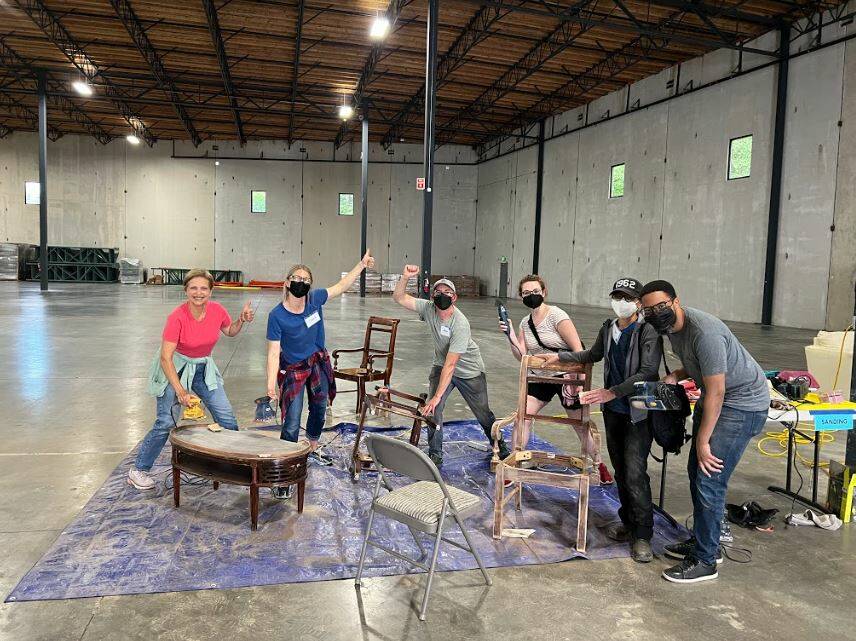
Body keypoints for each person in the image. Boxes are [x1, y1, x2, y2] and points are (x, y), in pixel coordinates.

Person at [639, 280, 770, 584]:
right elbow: (696, 363)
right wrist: (675, 374)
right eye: (648, 310)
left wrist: (702, 441)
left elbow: (717, 391)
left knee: (709, 476)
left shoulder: (704, 332)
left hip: (741, 405)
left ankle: (705, 560)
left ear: (675, 301)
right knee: (696, 471)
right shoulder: (672, 328)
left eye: (661, 306)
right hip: (722, 399)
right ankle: (704, 541)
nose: (656, 313)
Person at [541, 277, 662, 562]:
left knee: (635, 472)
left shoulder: (648, 331)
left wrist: (611, 392)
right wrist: (558, 357)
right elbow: (591, 355)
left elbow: (648, 372)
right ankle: (628, 522)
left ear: (638, 303)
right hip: (613, 413)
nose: (621, 302)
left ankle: (643, 535)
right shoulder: (609, 328)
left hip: (637, 413)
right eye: (617, 296)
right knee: (621, 470)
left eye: (627, 298)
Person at [128, 269, 254, 490]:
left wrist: (241, 320)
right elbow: (165, 358)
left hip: (202, 367)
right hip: (175, 368)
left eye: (204, 288)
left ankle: (227, 465)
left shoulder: (217, 310)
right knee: (166, 422)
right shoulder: (177, 317)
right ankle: (139, 469)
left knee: (227, 419)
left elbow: (230, 331)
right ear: (186, 290)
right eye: (193, 288)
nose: (199, 292)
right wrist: (180, 391)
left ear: (211, 291)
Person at [266, 252, 374, 499]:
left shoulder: (314, 299)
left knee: (319, 408)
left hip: (317, 364)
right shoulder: (276, 316)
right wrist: (271, 385)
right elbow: (273, 353)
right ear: (286, 282)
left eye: (305, 279)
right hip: (293, 369)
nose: (300, 282)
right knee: (292, 421)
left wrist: (361, 265)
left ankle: (312, 447)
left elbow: (342, 286)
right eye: (296, 278)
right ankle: (285, 470)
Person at [499, 274, 613, 486]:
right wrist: (511, 337)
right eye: (526, 293)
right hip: (540, 376)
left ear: (544, 292)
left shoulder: (557, 316)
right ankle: (513, 466)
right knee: (522, 418)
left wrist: (579, 382)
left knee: (579, 423)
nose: (531, 296)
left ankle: (599, 464)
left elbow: (579, 351)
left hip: (566, 375)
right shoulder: (526, 322)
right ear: (520, 296)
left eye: (535, 292)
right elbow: (522, 355)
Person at [392, 265, 510, 466]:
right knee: (433, 411)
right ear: (432, 296)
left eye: (447, 293)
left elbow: (452, 364)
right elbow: (399, 298)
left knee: (483, 414)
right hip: (441, 365)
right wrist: (405, 277)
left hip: (469, 371)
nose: (442, 296)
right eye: (438, 292)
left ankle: (502, 449)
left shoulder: (460, 323)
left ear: (454, 298)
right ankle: (435, 455)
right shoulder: (428, 308)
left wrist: (437, 396)